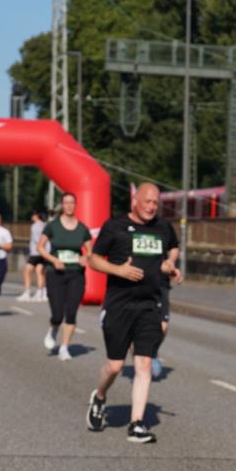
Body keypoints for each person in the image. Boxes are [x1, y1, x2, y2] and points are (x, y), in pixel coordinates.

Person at [86, 183, 179, 442]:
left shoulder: (162, 228)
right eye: (147, 202)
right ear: (135, 201)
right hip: (119, 305)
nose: (151, 207)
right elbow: (92, 259)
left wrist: (169, 266)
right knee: (115, 366)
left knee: (144, 363)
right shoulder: (114, 227)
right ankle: (100, 396)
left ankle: (136, 423)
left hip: (149, 304)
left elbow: (166, 253)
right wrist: (118, 270)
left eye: (155, 203)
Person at [37, 194, 91, 359]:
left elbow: (90, 251)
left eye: (72, 203)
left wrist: (85, 258)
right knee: (57, 314)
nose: (69, 206)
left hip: (76, 274)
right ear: (62, 205)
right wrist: (54, 260)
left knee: (72, 311)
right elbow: (40, 247)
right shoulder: (52, 226)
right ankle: (54, 328)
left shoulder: (82, 229)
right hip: (56, 273)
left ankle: (64, 348)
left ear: (76, 205)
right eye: (66, 203)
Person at [151, 240, 183, 378]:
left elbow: (174, 247)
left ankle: (152, 352)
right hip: (139, 281)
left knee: (163, 326)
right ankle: (142, 355)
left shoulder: (163, 228)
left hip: (161, 283)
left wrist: (171, 263)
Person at [19, 210, 48, 302]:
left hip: (36, 252)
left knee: (27, 271)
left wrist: (39, 248)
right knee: (40, 271)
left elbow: (37, 239)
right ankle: (41, 292)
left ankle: (27, 292)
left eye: (32, 215)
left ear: (36, 216)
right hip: (45, 252)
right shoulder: (45, 224)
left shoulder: (35, 226)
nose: (31, 217)